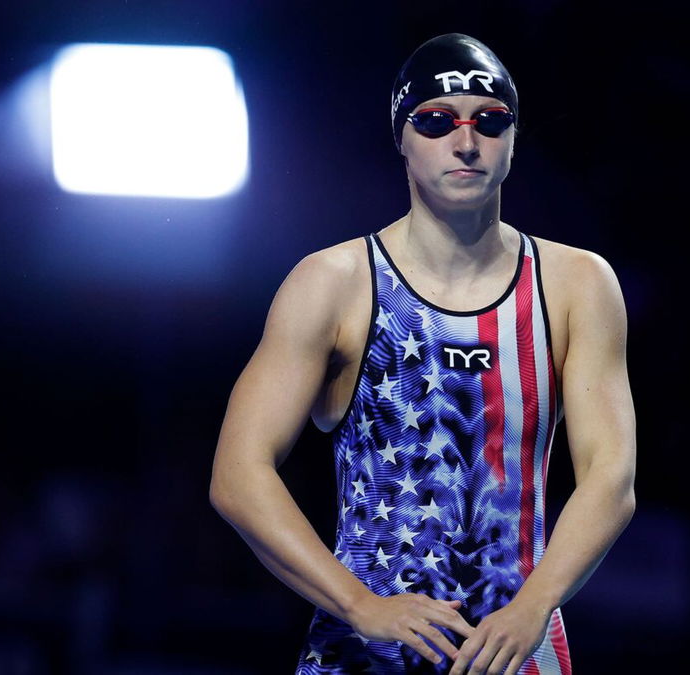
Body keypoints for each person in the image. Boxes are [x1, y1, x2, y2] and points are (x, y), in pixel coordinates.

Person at [209, 33, 636, 674]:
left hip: (517, 653)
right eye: (436, 122)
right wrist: (359, 604)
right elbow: (237, 476)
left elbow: (611, 476)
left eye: (490, 122)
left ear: (514, 139)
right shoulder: (335, 284)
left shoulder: (578, 285)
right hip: (363, 656)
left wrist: (535, 605)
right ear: (401, 138)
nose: (466, 143)